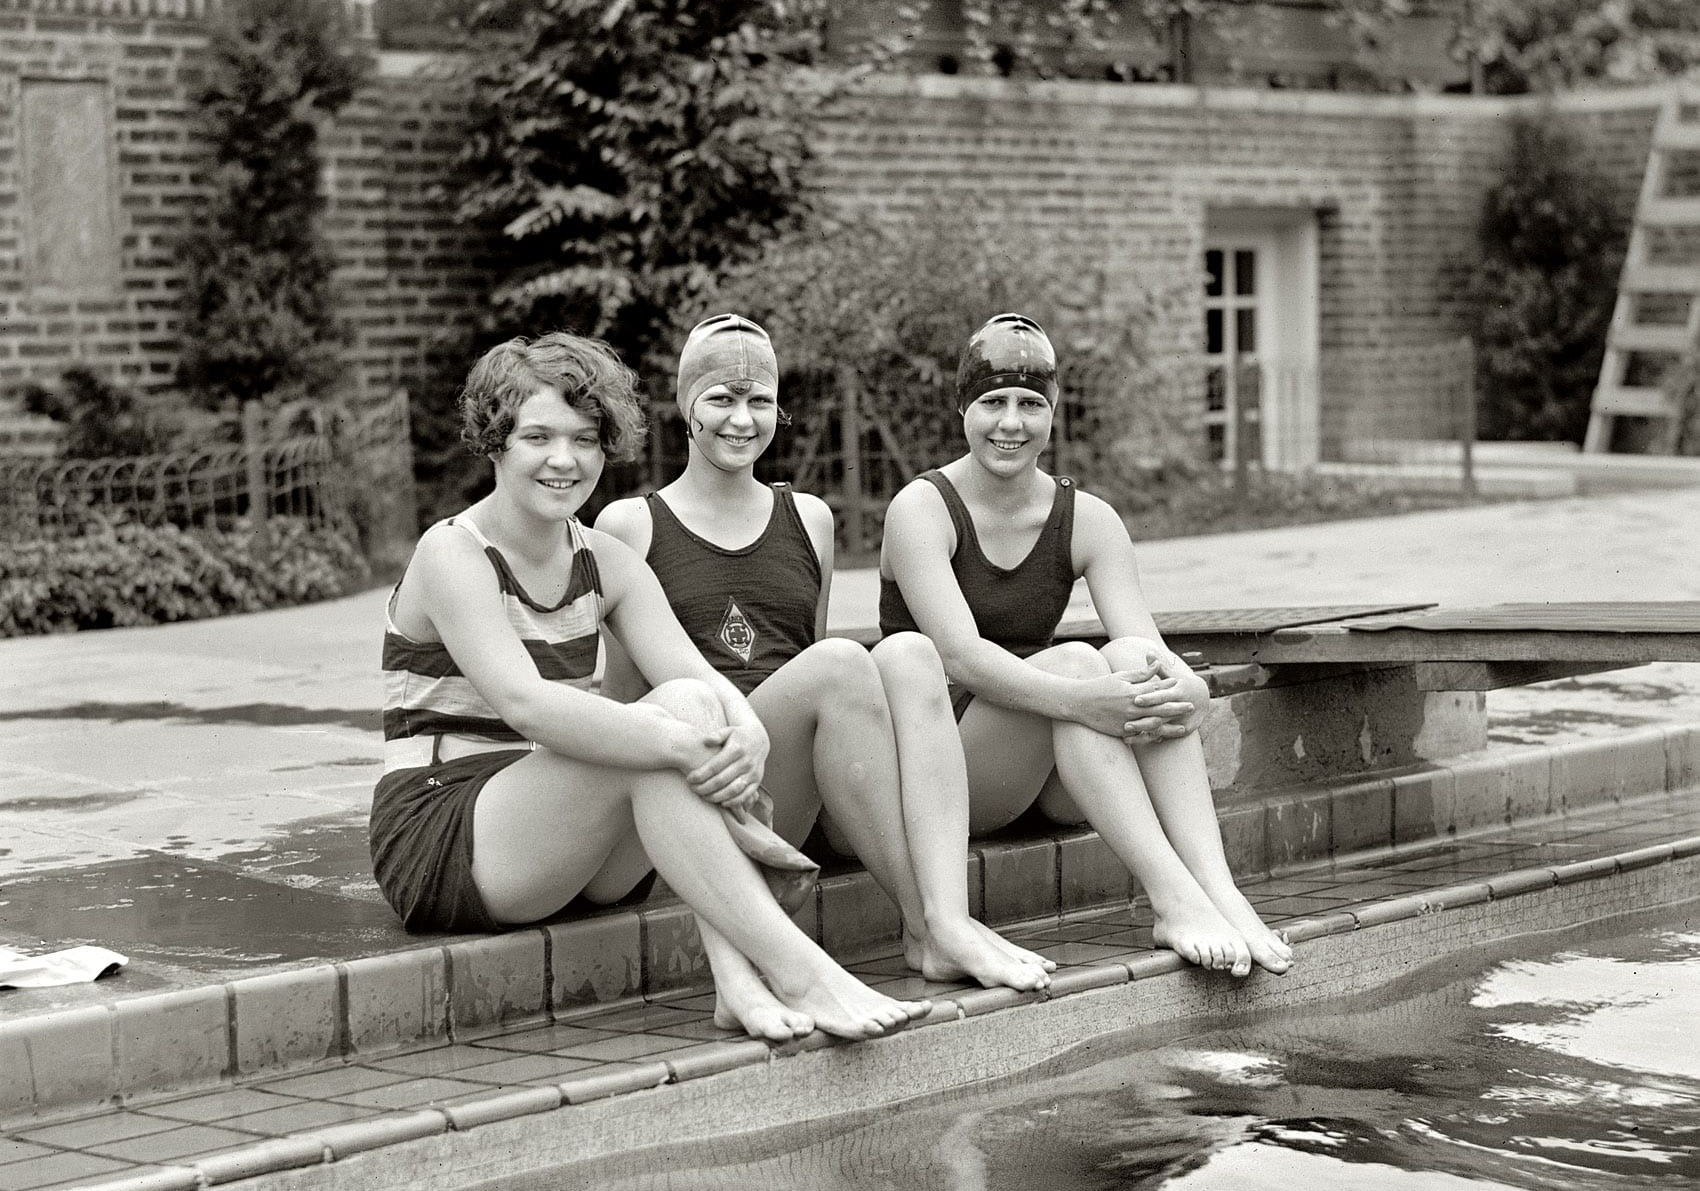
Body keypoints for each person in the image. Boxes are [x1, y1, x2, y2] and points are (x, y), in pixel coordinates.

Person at [369, 331, 929, 1043]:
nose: (563, 459)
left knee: (688, 710)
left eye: (584, 437)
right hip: (448, 834)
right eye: (537, 436)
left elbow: (699, 681)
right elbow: (525, 702)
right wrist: (683, 739)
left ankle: (738, 983)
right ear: (495, 441)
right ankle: (795, 970)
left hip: (565, 839)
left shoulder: (606, 561)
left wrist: (745, 729)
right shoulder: (453, 551)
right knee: (667, 733)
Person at [596, 313, 1055, 994]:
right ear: (684, 407)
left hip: (798, 788)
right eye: (721, 398)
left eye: (759, 401)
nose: (741, 419)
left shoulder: (810, 519)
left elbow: (799, 653)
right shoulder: (631, 524)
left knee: (907, 652)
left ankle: (940, 920)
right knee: (843, 662)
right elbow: (629, 693)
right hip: (708, 781)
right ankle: (933, 923)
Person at [879, 313, 1292, 978]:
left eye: (1030, 404)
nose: (1010, 423)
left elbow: (1147, 648)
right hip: (947, 776)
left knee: (1132, 662)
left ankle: (1218, 888)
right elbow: (960, 658)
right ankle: (1172, 894)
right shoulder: (921, 510)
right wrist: (1083, 696)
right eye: (992, 402)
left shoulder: (1089, 519)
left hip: (1052, 769)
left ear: (1054, 414)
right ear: (962, 408)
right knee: (1079, 662)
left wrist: (1188, 686)